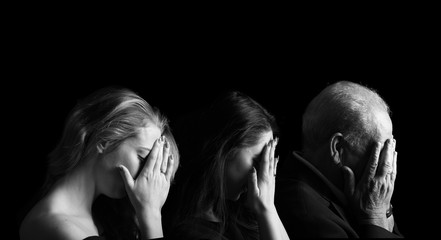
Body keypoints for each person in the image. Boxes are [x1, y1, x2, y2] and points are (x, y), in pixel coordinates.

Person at [18, 87, 180, 240]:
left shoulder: (109, 217)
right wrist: (151, 213)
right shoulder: (51, 224)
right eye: (143, 159)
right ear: (105, 140)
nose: (147, 176)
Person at [275, 80, 403, 238]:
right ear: (338, 149)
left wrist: (385, 210)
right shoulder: (304, 211)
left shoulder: (356, 193)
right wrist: (375, 217)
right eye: (382, 149)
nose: (388, 164)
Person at [166, 91, 289, 240]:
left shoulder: (242, 214)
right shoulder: (191, 231)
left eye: (267, 162)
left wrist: (268, 207)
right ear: (224, 149)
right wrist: (266, 209)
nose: (264, 172)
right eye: (258, 160)